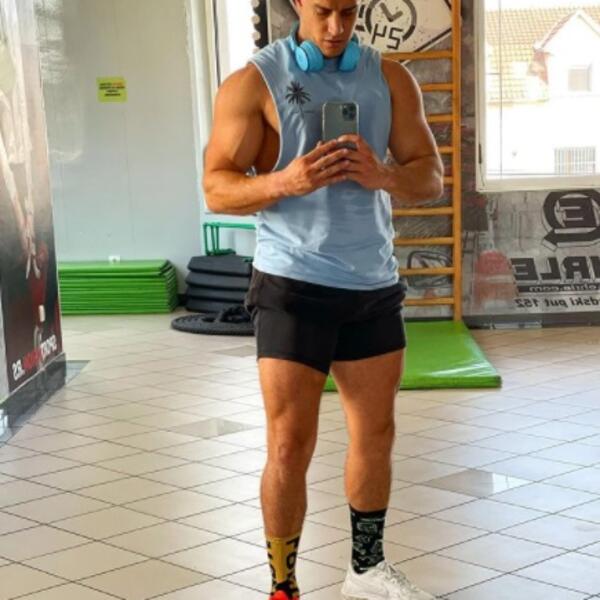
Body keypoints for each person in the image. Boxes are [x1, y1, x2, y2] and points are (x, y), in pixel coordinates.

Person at [203, 1, 443, 598]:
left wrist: (384, 175)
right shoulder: (254, 82)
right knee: (289, 444)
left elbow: (430, 176)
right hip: (292, 284)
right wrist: (286, 181)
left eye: (348, 12)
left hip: (371, 285)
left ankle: (366, 570)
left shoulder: (391, 79)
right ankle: (283, 584)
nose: (336, 28)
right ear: (297, 4)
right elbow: (216, 187)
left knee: (376, 434)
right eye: (323, 11)